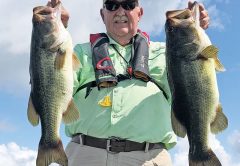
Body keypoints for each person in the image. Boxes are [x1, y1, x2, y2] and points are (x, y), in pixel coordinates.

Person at [45, 0, 210, 165]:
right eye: (111, 5)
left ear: (140, 13)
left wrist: (194, 30)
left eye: (129, 4)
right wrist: (52, 27)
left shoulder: (170, 51)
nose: (120, 11)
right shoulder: (78, 53)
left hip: (149, 157)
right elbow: (52, 86)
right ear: (103, 15)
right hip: (85, 154)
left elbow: (201, 79)